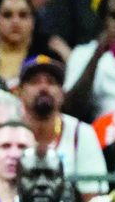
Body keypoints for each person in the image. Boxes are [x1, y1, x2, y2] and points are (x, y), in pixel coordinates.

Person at [18, 54, 107, 198]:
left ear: (62, 93)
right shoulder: (8, 134)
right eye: (34, 82)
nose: (43, 87)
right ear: (19, 92)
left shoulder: (81, 133)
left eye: (51, 82)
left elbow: (94, 197)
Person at [64, 0, 115, 121]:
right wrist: (98, 53)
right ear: (103, 20)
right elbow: (71, 108)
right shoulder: (83, 53)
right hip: (105, 134)